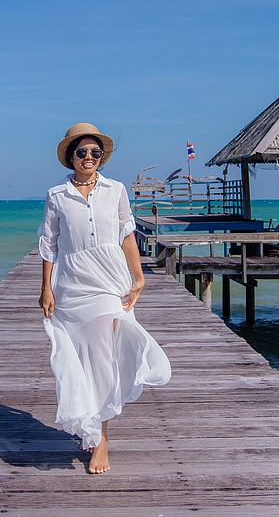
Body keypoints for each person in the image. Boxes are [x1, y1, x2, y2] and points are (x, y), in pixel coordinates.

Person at [36, 122, 172, 474]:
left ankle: (103, 438)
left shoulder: (116, 190)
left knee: (103, 359)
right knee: (80, 361)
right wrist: (46, 287)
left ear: (102, 157)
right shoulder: (56, 196)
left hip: (109, 282)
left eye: (95, 153)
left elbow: (127, 234)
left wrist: (138, 277)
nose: (89, 158)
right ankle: (89, 426)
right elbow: (49, 245)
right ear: (71, 157)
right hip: (72, 286)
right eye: (82, 152)